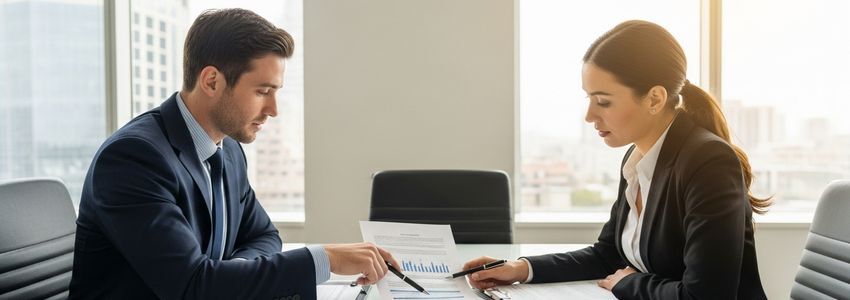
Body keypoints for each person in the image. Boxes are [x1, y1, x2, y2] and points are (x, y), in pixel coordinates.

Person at [69, 9, 397, 299]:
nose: (273, 110)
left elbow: (264, 235)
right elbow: (193, 286)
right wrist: (325, 258)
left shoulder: (229, 152)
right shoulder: (134, 158)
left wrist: (229, 277)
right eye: (262, 91)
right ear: (212, 81)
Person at [464, 20, 770, 299]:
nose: (589, 116)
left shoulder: (708, 161)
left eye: (604, 102)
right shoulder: (638, 158)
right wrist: (521, 269)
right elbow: (608, 255)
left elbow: (706, 296)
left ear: (654, 99)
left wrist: (628, 284)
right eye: (589, 99)